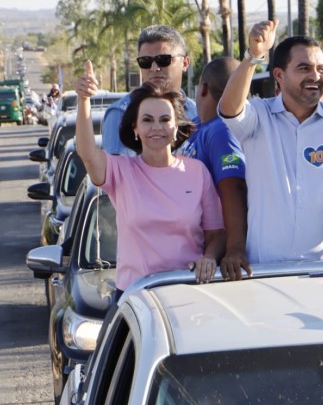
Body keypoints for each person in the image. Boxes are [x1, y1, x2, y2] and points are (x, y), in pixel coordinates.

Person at [218, 19, 323, 274]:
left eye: (321, 69)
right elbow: (229, 108)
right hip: (264, 271)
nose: (315, 76)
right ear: (279, 75)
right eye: (304, 68)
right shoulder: (258, 117)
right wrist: (253, 57)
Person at [75, 62, 225, 291]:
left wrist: (209, 258)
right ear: (135, 128)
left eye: (165, 120)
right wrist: (83, 100)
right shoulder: (120, 171)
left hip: (189, 292)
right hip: (135, 298)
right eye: (147, 120)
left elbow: (216, 234)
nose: (157, 127)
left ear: (176, 126)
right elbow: (87, 153)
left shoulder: (198, 172)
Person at [177, 57, 250, 281]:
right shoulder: (198, 125)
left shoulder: (221, 130)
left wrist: (233, 249)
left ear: (203, 88)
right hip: (196, 253)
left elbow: (233, 188)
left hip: (215, 260)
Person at [102, 25, 198, 156]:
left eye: (163, 60)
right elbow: (116, 174)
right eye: (145, 61)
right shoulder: (120, 114)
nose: (154, 68)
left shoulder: (198, 113)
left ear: (185, 63)